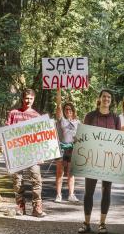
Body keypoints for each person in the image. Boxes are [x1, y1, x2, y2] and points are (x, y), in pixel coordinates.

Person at [78, 89, 121, 234]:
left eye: (109, 97)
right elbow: (83, 135)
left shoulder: (115, 118)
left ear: (111, 100)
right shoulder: (90, 116)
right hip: (91, 158)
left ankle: (102, 224)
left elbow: (118, 139)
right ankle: (87, 223)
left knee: (106, 191)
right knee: (88, 191)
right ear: (99, 98)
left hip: (108, 160)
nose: (106, 99)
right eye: (104, 97)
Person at [5, 89, 46, 217]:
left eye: (31, 98)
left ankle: (37, 207)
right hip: (16, 153)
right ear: (22, 98)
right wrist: (3, 144)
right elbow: (7, 131)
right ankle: (20, 206)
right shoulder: (13, 113)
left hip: (32, 153)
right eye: (26, 98)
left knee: (36, 179)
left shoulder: (37, 116)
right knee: (17, 180)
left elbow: (41, 136)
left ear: (33, 99)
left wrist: (41, 154)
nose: (28, 101)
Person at [54, 88, 80, 203]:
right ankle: (58, 195)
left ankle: (71, 194)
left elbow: (82, 136)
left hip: (72, 149)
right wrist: (59, 92)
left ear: (73, 111)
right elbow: (58, 106)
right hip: (61, 148)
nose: (68, 111)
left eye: (70, 109)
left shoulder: (78, 122)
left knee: (71, 173)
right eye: (66, 109)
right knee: (60, 172)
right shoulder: (61, 120)